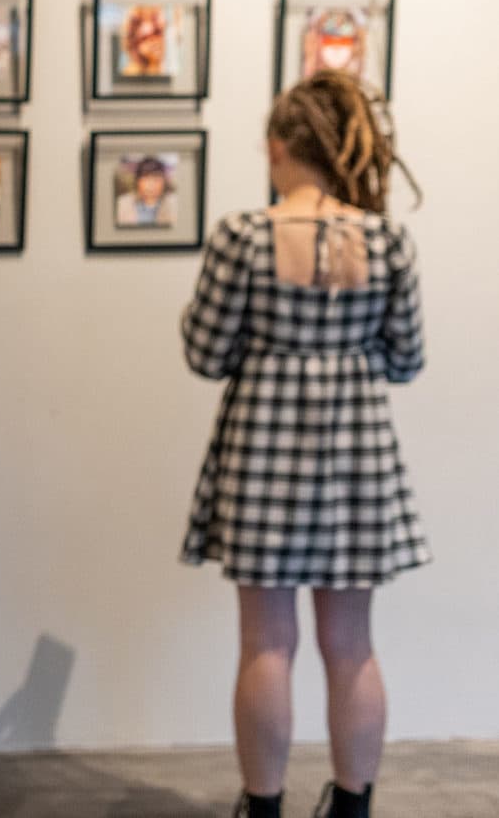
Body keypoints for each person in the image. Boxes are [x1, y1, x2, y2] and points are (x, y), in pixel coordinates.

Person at [179, 71, 428, 818]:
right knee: (351, 641)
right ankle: (352, 806)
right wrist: (345, 355)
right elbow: (406, 358)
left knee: (266, 642)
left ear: (282, 147)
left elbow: (204, 349)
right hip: (357, 452)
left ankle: (262, 808)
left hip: (262, 449)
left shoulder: (243, 234)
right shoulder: (386, 239)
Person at [116, 156, 177, 228]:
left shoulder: (174, 203)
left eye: (156, 179)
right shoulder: (123, 203)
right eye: (146, 179)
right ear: (137, 181)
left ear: (164, 181)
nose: (151, 185)